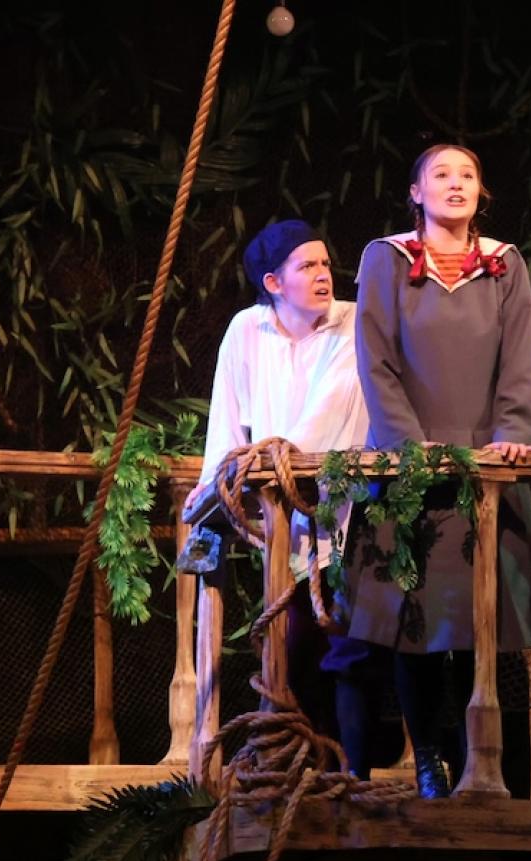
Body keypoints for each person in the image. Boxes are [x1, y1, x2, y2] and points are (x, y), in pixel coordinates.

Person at [349, 143, 531, 798]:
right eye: (441, 174)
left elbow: (520, 359)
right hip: (409, 460)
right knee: (416, 623)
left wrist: (513, 437)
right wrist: (410, 448)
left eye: (468, 173)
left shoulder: (505, 265)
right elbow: (375, 359)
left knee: (476, 622)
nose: (456, 183)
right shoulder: (386, 260)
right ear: (415, 192)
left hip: (485, 462)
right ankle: (430, 756)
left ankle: (478, 760)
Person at [190, 218, 378, 778]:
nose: (324, 275)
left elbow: (333, 412)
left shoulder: (355, 324)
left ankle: (352, 772)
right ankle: (304, 766)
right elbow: (228, 412)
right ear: (274, 283)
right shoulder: (248, 330)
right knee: (293, 644)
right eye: (308, 267)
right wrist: (216, 479)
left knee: (348, 641)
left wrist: (279, 461)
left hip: (347, 505)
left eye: (325, 264)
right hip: (283, 519)